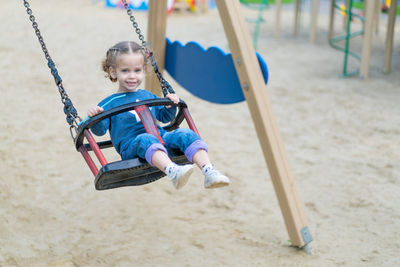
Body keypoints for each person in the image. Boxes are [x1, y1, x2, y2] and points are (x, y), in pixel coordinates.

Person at [87, 41, 230, 190]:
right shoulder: (109, 103)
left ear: (144, 70)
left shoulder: (148, 95)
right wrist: (95, 116)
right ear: (113, 72)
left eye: (137, 70)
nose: (132, 76)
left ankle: (209, 171)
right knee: (146, 139)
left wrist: (169, 105)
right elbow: (100, 131)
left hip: (159, 138)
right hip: (132, 147)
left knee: (185, 134)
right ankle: (172, 171)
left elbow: (164, 117)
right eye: (125, 71)